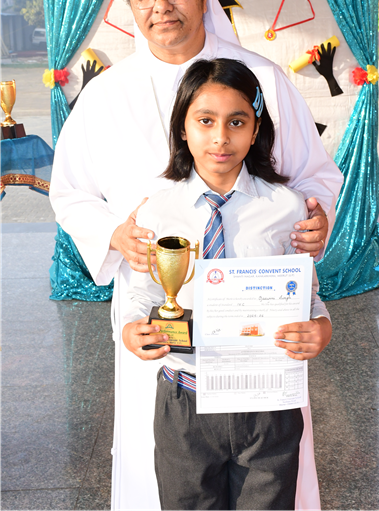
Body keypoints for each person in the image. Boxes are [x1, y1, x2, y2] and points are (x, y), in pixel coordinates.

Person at [49, 0, 343, 511]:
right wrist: (114, 234)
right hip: (161, 321)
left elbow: (312, 176)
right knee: (170, 473)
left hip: (259, 339)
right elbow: (70, 193)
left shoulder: (261, 80)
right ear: (130, 3)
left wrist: (317, 218)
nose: (161, 5)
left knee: (267, 480)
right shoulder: (106, 95)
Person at [123, 57, 332, 511]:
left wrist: (321, 326)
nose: (221, 137)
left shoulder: (287, 206)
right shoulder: (157, 210)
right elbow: (144, 292)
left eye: (237, 122)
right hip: (185, 400)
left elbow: (306, 292)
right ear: (182, 128)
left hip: (267, 403)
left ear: (255, 131)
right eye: (205, 121)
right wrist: (132, 328)